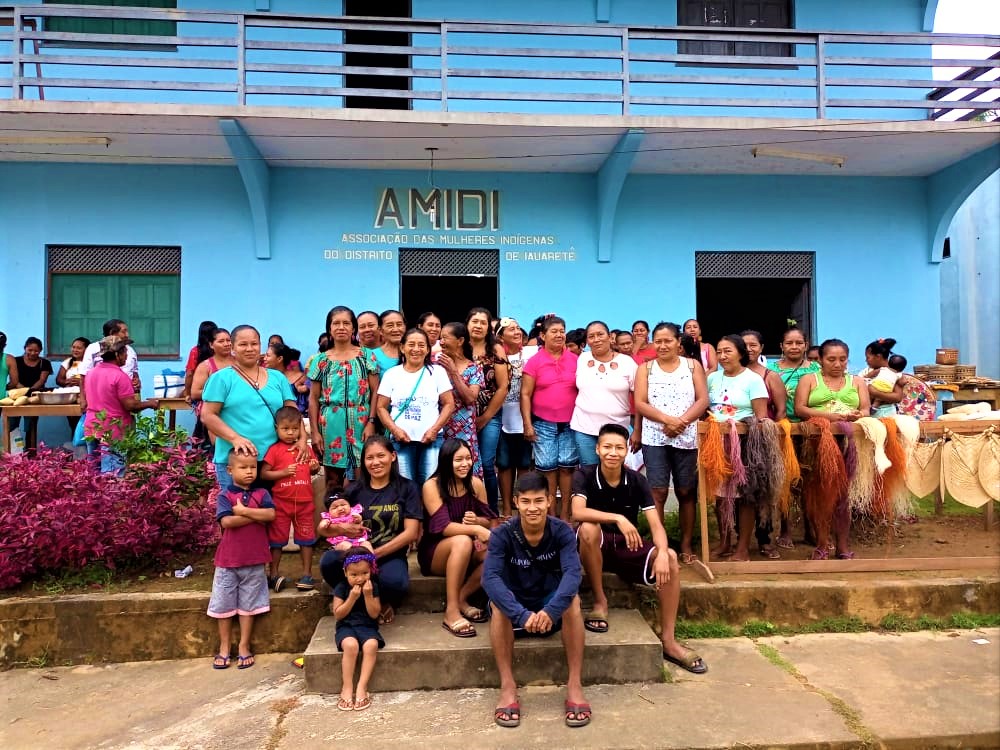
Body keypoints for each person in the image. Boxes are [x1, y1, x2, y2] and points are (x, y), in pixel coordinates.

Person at [572, 424, 707, 674]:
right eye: (607, 447)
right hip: (595, 545)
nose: (613, 452)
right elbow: (577, 512)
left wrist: (665, 554)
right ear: (598, 449)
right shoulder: (585, 474)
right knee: (588, 528)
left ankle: (669, 640)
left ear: (626, 452)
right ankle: (600, 602)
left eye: (619, 448)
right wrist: (618, 519)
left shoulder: (637, 480)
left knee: (670, 557)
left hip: (627, 546)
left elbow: (656, 526)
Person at [482, 471, 590, 729]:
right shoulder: (502, 534)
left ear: (550, 501)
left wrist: (552, 611)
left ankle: (575, 685)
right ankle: (508, 687)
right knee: (498, 605)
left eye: (539, 501)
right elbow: (490, 578)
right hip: (516, 606)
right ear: (516, 502)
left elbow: (573, 574)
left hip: (548, 604)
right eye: (526, 501)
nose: (533, 508)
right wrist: (520, 614)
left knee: (572, 601)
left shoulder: (562, 531)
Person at [318, 435, 423, 625]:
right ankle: (352, 599)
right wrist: (344, 528)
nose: (375, 462)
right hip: (354, 556)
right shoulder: (353, 491)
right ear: (363, 461)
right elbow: (325, 529)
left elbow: (411, 533)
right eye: (369, 458)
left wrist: (373, 555)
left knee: (397, 582)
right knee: (328, 562)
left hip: (389, 554)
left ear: (392, 456)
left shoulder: (408, 488)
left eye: (380, 456)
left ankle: (377, 601)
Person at [634, 322, 709, 561]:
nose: (663, 345)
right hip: (654, 436)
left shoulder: (692, 366)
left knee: (687, 490)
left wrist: (682, 422)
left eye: (668, 340)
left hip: (686, 436)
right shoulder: (645, 368)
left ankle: (686, 544)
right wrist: (668, 420)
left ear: (678, 342)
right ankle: (660, 545)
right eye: (658, 341)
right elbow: (640, 403)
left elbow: (702, 399)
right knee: (657, 491)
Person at [200, 325, 304, 489]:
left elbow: (292, 412)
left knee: (273, 512)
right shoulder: (221, 378)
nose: (249, 349)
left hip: (274, 460)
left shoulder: (278, 378)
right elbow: (207, 415)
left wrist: (303, 439)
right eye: (243, 344)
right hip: (236, 461)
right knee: (237, 511)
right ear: (233, 348)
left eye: (254, 344)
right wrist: (236, 438)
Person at [794, 338, 871, 560]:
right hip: (818, 442)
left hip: (849, 443)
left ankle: (843, 546)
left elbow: (865, 409)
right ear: (820, 360)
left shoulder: (857, 381)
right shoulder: (809, 379)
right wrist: (831, 417)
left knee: (843, 495)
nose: (837, 364)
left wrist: (857, 416)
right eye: (831, 359)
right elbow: (800, 408)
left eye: (842, 359)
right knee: (820, 493)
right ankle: (821, 544)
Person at [418, 438, 496, 637]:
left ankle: (462, 597)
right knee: (462, 542)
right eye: (458, 460)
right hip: (436, 551)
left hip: (469, 547)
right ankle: (451, 611)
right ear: (446, 461)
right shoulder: (432, 485)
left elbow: (489, 520)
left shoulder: (475, 483)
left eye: (468, 458)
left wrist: (478, 521)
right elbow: (442, 527)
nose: (465, 464)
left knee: (494, 553)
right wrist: (476, 531)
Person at [207, 452, 276, 671]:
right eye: (243, 468)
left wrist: (245, 512)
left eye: (252, 468)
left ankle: (244, 645)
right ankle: (225, 646)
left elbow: (271, 515)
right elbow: (227, 521)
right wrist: (256, 515)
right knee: (224, 605)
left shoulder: (262, 492)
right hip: (228, 561)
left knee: (249, 606)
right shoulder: (225, 495)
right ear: (230, 470)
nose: (249, 472)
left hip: (255, 559)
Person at [707, 334, 769, 562]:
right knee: (720, 496)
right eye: (719, 351)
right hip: (716, 444)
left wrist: (737, 429)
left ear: (741, 353)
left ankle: (742, 548)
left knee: (745, 496)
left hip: (744, 445)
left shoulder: (753, 380)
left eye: (728, 351)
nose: (722, 356)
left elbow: (761, 418)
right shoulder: (712, 378)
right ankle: (725, 542)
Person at [308, 306, 379, 490]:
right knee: (333, 481)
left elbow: (375, 392)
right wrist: (315, 432)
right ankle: (333, 517)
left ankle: (362, 517)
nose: (341, 327)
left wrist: (371, 422)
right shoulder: (321, 360)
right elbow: (313, 398)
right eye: (336, 323)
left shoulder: (366, 356)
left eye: (346, 323)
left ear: (353, 328)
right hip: (331, 423)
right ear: (329, 328)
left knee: (365, 476)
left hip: (361, 421)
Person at [377, 328, 456, 485]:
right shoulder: (391, 374)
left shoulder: (437, 372)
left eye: (421, 345)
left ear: (427, 349)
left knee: (431, 484)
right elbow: (381, 407)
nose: (416, 349)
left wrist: (434, 430)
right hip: (401, 440)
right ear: (402, 348)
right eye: (411, 344)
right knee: (405, 485)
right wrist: (395, 430)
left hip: (431, 439)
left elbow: (449, 404)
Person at [767, 325, 820, 549]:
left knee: (810, 480)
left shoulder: (817, 369)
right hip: (783, 431)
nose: (794, 347)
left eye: (799, 343)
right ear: (781, 346)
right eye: (789, 343)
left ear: (806, 345)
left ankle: (810, 528)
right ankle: (786, 529)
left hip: (811, 431)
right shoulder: (770, 369)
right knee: (786, 481)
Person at [521, 316, 579, 520]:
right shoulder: (534, 362)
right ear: (542, 336)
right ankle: (551, 514)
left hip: (571, 423)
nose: (559, 334)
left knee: (567, 466)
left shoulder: (575, 359)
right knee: (547, 468)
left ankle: (565, 513)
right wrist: (527, 424)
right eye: (554, 331)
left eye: (562, 330)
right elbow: (525, 394)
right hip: (543, 422)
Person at [261, 406, 321, 592]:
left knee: (307, 540)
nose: (290, 433)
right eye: (285, 429)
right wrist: (283, 473)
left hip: (304, 503)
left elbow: (314, 469)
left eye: (295, 429)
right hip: (281, 502)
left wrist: (314, 467)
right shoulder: (274, 450)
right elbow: (264, 474)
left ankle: (307, 575)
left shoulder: (305, 449)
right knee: (277, 541)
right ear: (276, 428)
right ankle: (274, 574)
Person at [83, 335, 160, 475]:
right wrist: (149, 404)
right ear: (117, 354)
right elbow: (130, 406)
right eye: (125, 352)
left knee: (93, 473)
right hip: (113, 429)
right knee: (112, 475)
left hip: (92, 427)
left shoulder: (91, 373)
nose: (127, 355)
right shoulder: (119, 376)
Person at [570, 321, 638, 466]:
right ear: (587, 341)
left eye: (600, 334)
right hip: (584, 428)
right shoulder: (582, 359)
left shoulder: (627, 363)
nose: (596, 339)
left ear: (610, 337)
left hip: (617, 429)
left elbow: (640, 399)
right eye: (591, 336)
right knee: (590, 473)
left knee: (615, 473)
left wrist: (637, 430)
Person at [467, 307, 509, 513]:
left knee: (485, 462)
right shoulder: (459, 347)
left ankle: (491, 510)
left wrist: (485, 417)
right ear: (467, 324)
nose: (478, 326)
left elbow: (503, 387)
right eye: (474, 321)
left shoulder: (496, 349)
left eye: (483, 322)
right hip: (461, 416)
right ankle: (467, 508)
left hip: (490, 414)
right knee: (464, 462)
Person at [332, 548, 383, 712]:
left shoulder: (372, 586)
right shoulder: (341, 587)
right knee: (351, 646)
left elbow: (374, 613)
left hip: (367, 625)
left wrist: (368, 596)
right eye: (354, 575)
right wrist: (352, 598)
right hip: (346, 625)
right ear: (345, 572)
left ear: (371, 570)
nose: (360, 578)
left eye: (365, 573)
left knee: (371, 646)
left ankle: (362, 686)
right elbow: (338, 614)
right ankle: (347, 687)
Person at [438, 321, 484, 477]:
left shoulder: (474, 368)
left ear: (460, 341)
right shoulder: (435, 366)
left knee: (467, 473)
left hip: (465, 432)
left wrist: (453, 372)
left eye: (445, 338)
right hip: (440, 430)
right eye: (440, 338)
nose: (441, 342)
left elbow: (470, 398)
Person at [496, 317, 532, 517]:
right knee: (504, 464)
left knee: (524, 464)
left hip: (524, 416)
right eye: (511, 329)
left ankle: (522, 503)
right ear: (501, 336)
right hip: (502, 417)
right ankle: (507, 508)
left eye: (518, 328)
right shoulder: (495, 356)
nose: (517, 331)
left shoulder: (530, 353)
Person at [79, 319, 140, 413]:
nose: (127, 335)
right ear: (112, 333)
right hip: (103, 400)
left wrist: (137, 382)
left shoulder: (131, 351)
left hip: (126, 398)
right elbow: (84, 376)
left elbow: (134, 372)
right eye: (124, 331)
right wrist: (83, 399)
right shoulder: (93, 349)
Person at [189, 328, 233, 446]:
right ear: (211, 345)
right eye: (221, 341)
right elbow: (195, 392)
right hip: (212, 414)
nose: (226, 344)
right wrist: (220, 393)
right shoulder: (206, 366)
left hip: (235, 414)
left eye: (228, 340)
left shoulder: (239, 363)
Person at [9, 337, 53, 451]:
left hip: (34, 398)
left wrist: (30, 391)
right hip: (15, 397)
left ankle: (30, 452)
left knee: (31, 426)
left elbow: (42, 380)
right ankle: (15, 451)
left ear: (41, 350)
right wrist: (21, 390)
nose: (33, 353)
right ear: (25, 348)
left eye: (36, 351)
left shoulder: (45, 363)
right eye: (30, 350)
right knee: (13, 426)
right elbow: (14, 379)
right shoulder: (16, 360)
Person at [861, 337, 904, 418]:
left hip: (888, 415)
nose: (866, 361)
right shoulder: (866, 371)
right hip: (868, 416)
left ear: (878, 356)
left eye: (868, 357)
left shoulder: (893, 373)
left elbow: (897, 397)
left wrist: (876, 393)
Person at [56, 336, 91, 432]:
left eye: (79, 348)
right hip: (70, 397)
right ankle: (75, 444)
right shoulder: (67, 362)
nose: (75, 350)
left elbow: (95, 380)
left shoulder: (91, 363)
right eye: (74, 347)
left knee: (84, 424)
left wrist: (81, 382)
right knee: (73, 424)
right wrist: (67, 381)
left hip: (85, 397)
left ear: (87, 350)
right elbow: (59, 380)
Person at [265, 342, 310, 414]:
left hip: (294, 418)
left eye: (268, 356)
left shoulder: (300, 378)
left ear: (279, 359)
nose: (264, 358)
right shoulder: (263, 377)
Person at [889, 354, 937, 421]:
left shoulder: (885, 378)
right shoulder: (906, 379)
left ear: (888, 365)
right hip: (913, 417)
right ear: (904, 367)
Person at [182, 320, 217, 400]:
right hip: (218, 388)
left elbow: (189, 373)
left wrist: (187, 393)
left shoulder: (195, 351)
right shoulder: (219, 350)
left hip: (200, 389)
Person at [372, 310, 406, 374]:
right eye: (390, 325)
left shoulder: (414, 351)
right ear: (380, 330)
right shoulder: (373, 355)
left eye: (399, 324)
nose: (396, 329)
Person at [0, 331, 19, 402]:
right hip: (1, 398)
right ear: (4, 345)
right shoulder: (9, 359)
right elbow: (14, 382)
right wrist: (3, 387)